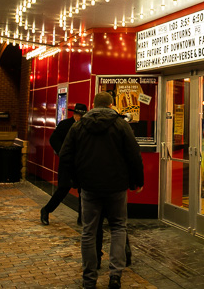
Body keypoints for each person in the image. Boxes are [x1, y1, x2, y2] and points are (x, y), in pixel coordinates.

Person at [59, 92, 143, 289]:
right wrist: (137, 181)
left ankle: (89, 279)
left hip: (89, 187)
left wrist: (75, 179)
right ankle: (115, 275)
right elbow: (134, 155)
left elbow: (65, 154)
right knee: (118, 228)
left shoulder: (79, 126)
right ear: (112, 105)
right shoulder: (121, 125)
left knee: (88, 231)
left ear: (93, 105)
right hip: (116, 187)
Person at [40, 103, 87, 226]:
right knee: (63, 189)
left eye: (82, 115)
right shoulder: (65, 125)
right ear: (75, 114)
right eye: (79, 115)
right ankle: (46, 210)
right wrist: (63, 152)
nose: (80, 117)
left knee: (83, 191)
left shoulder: (86, 127)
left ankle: (81, 218)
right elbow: (53, 139)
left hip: (81, 163)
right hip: (67, 163)